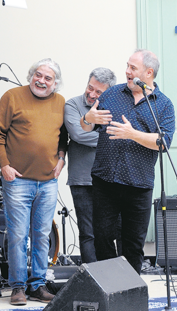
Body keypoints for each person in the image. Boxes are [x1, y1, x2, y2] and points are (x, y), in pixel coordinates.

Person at [81, 49, 175, 274]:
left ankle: (130, 294)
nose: (127, 71)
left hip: (138, 184)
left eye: (133, 68)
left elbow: (163, 143)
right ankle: (109, 289)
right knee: (102, 238)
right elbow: (86, 126)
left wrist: (132, 134)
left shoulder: (163, 105)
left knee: (133, 244)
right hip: (105, 180)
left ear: (149, 72)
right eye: (127, 66)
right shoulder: (112, 94)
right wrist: (87, 118)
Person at [0, 58, 67, 305]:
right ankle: (18, 287)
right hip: (18, 181)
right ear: (31, 76)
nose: (41, 81)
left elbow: (64, 136)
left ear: (55, 84)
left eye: (48, 78)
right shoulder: (12, 96)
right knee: (18, 235)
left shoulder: (60, 102)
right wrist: (4, 166)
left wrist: (62, 158)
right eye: (38, 75)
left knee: (42, 235)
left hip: (47, 182)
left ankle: (38, 285)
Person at [64, 67, 117, 264]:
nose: (91, 94)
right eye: (90, 88)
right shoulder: (73, 105)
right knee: (88, 233)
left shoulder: (113, 107)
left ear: (109, 92)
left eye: (98, 92)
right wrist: (110, 137)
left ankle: (113, 278)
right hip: (82, 179)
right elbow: (78, 134)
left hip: (109, 178)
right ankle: (91, 281)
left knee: (111, 232)